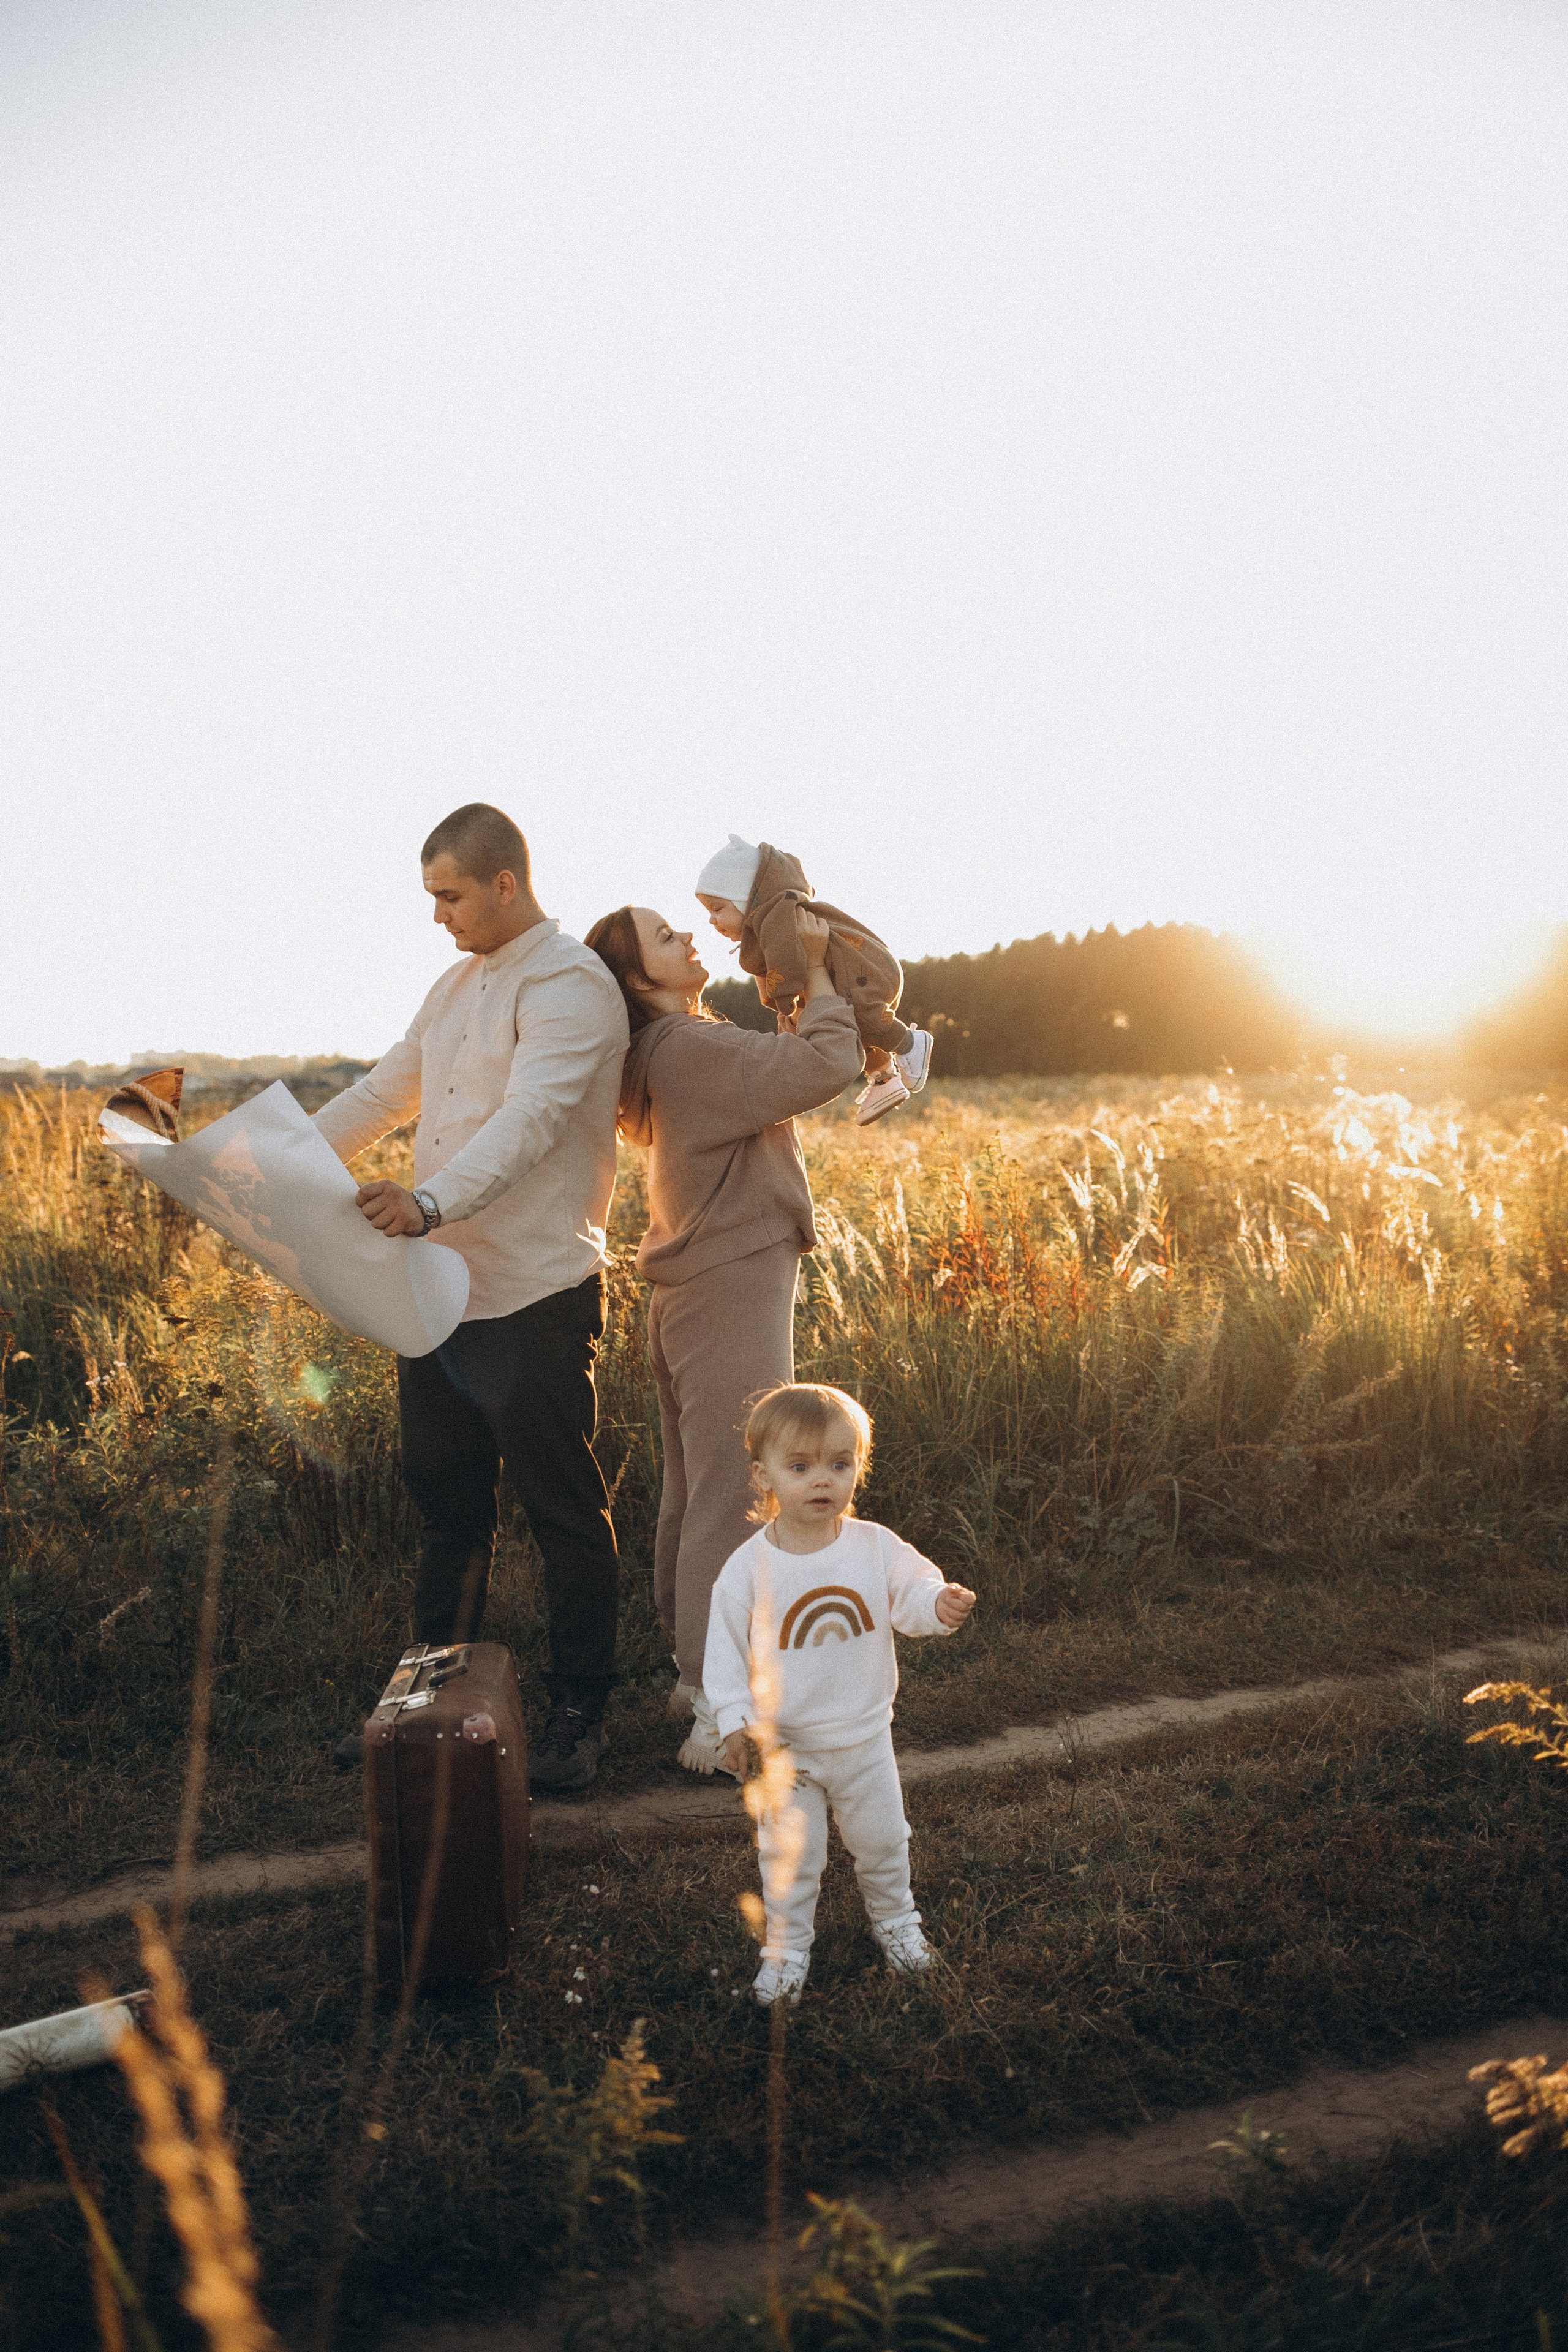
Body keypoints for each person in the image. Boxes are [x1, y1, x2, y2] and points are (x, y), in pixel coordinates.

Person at [315, 803, 629, 1793]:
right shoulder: (452, 985)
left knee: (562, 1509)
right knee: (448, 1510)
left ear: (506, 882)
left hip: (534, 1290)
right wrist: (262, 1175)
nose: (439, 915)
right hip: (438, 1293)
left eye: (449, 894)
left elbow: (534, 1117)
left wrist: (430, 1200)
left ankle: (581, 1712)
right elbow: (379, 1096)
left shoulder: (573, 983)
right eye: (431, 897)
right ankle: (423, 1712)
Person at [584, 902, 863, 1773]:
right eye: (667, 939)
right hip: (729, 1279)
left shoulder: (668, 1057)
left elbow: (778, 1065)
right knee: (739, 1494)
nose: (689, 940)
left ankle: (690, 1666)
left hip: (694, 1287)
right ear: (637, 981)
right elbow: (828, 1061)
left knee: (696, 1485)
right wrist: (815, 972)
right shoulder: (691, 1051)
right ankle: (717, 1702)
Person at [703, 1382, 976, 2007]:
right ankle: (786, 1951)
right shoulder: (747, 1570)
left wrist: (938, 1603)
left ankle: (898, 1925)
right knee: (792, 1859)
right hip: (784, 1751)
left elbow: (911, 1591)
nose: (821, 1480)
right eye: (799, 1467)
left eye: (839, 1464)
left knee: (884, 1841)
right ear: (763, 1474)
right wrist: (734, 1720)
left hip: (863, 1742)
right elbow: (724, 1654)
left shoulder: (873, 1548)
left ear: (859, 1466)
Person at [694, 834, 935, 1126]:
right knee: (845, 1024)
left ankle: (911, 1044)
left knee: (860, 1018)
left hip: (861, 974)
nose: (712, 921)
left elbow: (786, 972)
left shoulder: (779, 918)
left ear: (748, 902)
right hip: (851, 974)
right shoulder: (770, 924)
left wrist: (787, 1005)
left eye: (718, 909)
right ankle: (884, 1079)